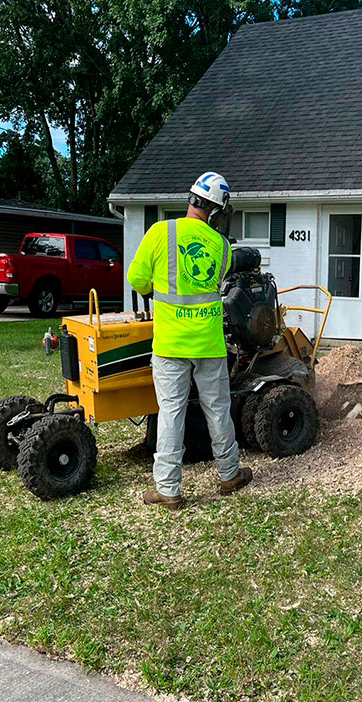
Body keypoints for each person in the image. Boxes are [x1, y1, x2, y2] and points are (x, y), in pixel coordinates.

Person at [127, 172, 253, 510]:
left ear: (192, 200)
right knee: (218, 410)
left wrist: (154, 288)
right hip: (209, 344)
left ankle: (168, 489)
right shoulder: (221, 247)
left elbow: (137, 279)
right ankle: (229, 475)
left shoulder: (160, 233)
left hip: (170, 345)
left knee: (171, 413)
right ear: (217, 210)